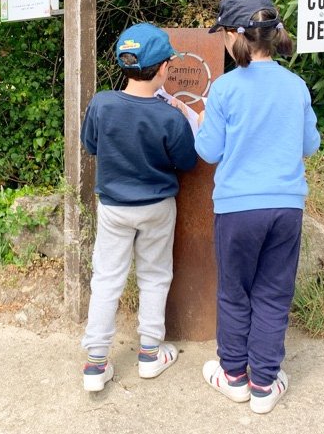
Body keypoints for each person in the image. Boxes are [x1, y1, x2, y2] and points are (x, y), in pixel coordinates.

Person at [195, 0, 320, 414]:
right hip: (286, 207)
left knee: (235, 291)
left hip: (237, 208)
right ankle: (265, 384)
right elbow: (310, 144)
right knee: (273, 292)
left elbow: (209, 152)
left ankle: (234, 377)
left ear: (234, 35)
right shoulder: (297, 85)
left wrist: (200, 122)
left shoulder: (225, 89)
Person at [80, 22, 198, 392]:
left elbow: (91, 145)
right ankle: (150, 353)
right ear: (164, 68)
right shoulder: (170, 116)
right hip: (157, 206)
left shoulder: (102, 103)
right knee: (154, 276)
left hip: (114, 207)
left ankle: (96, 363)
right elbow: (187, 162)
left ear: (123, 64)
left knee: (106, 280)